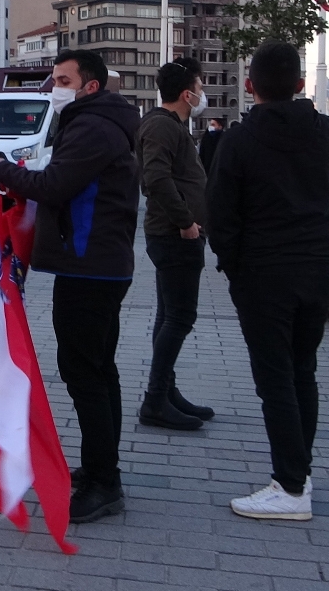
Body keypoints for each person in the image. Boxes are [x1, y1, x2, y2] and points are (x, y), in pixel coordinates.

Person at [206, 41, 329, 521]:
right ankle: (299, 471)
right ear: (299, 84)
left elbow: (220, 214)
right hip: (318, 266)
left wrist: (234, 266)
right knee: (302, 371)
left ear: (249, 85)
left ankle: (291, 487)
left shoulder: (239, 140)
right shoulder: (323, 131)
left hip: (263, 272)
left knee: (275, 379)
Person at [0, 49, 140, 524]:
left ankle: (104, 483)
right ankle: (100, 466)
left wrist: (0, 169)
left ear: (90, 86)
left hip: (90, 267)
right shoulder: (96, 122)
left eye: (63, 80)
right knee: (98, 370)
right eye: (54, 79)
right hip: (97, 264)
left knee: (85, 373)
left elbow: (54, 185)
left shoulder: (93, 127)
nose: (54, 87)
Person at [134, 58, 214, 432]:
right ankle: (155, 401)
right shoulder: (162, 126)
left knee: (169, 316)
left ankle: (165, 392)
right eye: (199, 86)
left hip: (176, 234)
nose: (202, 93)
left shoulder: (170, 125)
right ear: (187, 94)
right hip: (174, 235)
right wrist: (185, 222)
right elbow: (156, 177)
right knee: (179, 317)